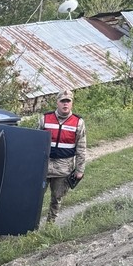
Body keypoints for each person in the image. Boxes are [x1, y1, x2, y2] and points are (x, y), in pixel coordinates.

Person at [40, 89, 87, 223]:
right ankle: (32, 224)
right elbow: (35, 143)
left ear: (72, 103)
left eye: (68, 101)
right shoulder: (45, 118)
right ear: (57, 103)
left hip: (64, 168)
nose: (65, 104)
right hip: (44, 166)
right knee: (36, 198)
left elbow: (81, 148)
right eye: (62, 101)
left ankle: (50, 224)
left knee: (57, 198)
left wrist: (80, 170)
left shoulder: (78, 122)